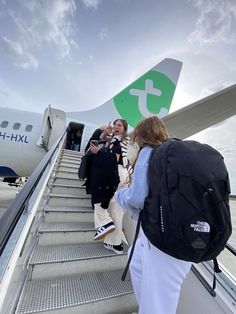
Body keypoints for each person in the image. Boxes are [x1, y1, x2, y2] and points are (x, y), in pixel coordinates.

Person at [115, 116, 191, 314]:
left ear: (142, 135)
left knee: (158, 306)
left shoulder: (148, 152)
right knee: (136, 262)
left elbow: (137, 198)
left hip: (163, 240)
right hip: (179, 233)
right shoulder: (172, 154)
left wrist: (120, 194)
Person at [90, 119, 130, 254]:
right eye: (115, 125)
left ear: (124, 129)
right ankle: (114, 243)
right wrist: (107, 132)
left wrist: (99, 152)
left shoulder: (117, 140)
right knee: (116, 209)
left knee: (99, 198)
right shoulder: (124, 140)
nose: (116, 127)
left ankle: (105, 223)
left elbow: (115, 158)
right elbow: (103, 139)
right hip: (124, 174)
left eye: (119, 125)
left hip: (116, 172)